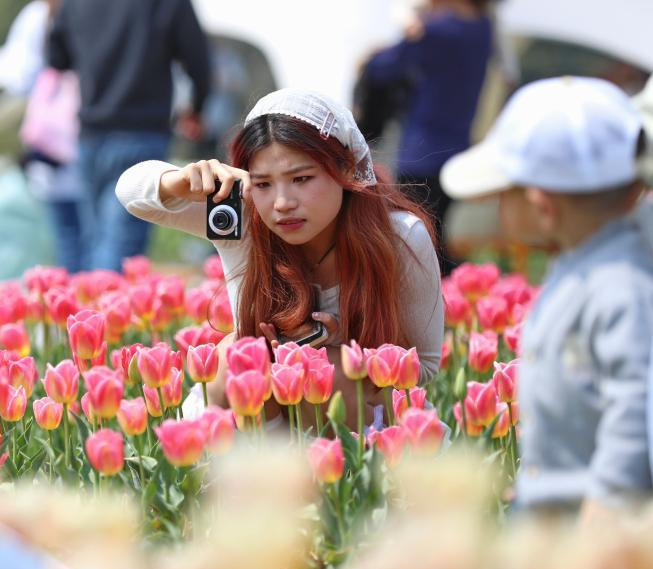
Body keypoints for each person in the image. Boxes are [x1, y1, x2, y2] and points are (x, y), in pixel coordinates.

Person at [440, 77, 653, 569]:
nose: (496, 206)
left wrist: (609, 506)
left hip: (602, 527)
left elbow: (636, 403)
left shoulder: (620, 286)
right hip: (551, 509)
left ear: (541, 205)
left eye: (503, 193)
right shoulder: (584, 262)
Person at [116, 88, 444, 427]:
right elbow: (128, 191)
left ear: (346, 169)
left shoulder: (397, 236)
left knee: (324, 371)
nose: (282, 202)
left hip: (355, 417)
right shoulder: (242, 221)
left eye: (301, 179)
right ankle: (261, 460)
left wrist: (342, 350)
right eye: (263, 184)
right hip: (256, 411)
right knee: (233, 358)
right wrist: (179, 182)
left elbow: (426, 365)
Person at [47, 0, 213, 272]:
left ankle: (85, 299)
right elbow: (197, 56)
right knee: (120, 250)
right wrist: (197, 107)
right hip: (142, 134)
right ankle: (102, 301)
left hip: (91, 134)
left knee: (93, 242)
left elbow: (56, 57)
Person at [360, 0, 495, 274]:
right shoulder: (483, 28)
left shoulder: (435, 32)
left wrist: (405, 34)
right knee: (435, 239)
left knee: (412, 241)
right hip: (455, 150)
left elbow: (382, 68)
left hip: (421, 154)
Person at [4, 0, 86, 273]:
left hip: (55, 147)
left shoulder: (37, 15)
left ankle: (74, 298)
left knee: (69, 239)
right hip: (98, 134)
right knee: (100, 239)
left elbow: (17, 79)